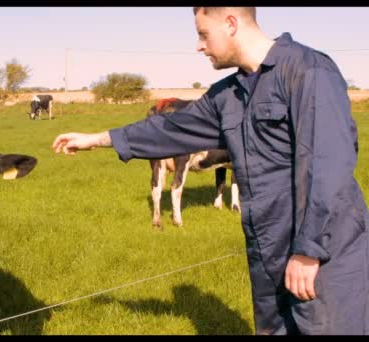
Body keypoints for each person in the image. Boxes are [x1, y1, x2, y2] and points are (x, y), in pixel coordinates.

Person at [52, 7, 368, 335]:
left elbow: (327, 163)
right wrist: (96, 139)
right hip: (268, 256)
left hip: (324, 255)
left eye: (203, 34)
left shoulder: (307, 70)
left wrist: (309, 251)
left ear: (231, 23)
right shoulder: (227, 96)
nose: (199, 46)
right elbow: (168, 128)